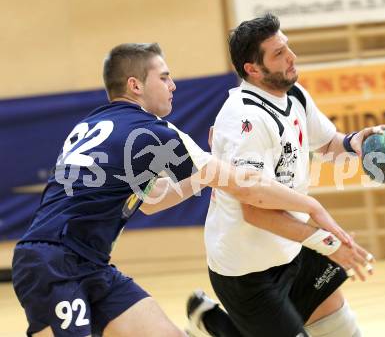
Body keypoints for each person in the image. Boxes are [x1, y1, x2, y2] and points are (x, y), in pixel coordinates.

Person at [11, 42, 363, 337]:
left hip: (92, 264)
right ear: (136, 85)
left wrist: (203, 174)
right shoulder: (154, 131)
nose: (173, 85)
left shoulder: (93, 123)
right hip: (52, 262)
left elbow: (150, 201)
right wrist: (311, 207)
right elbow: (248, 189)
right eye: (163, 77)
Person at [185, 14, 385, 337]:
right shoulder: (245, 121)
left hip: (293, 247)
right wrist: (327, 243)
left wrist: (356, 142)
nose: (291, 57)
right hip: (247, 270)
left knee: (344, 331)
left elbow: (327, 143)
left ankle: (213, 323)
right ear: (252, 69)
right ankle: (216, 326)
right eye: (278, 54)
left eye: (287, 47)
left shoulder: (294, 94)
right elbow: (255, 210)